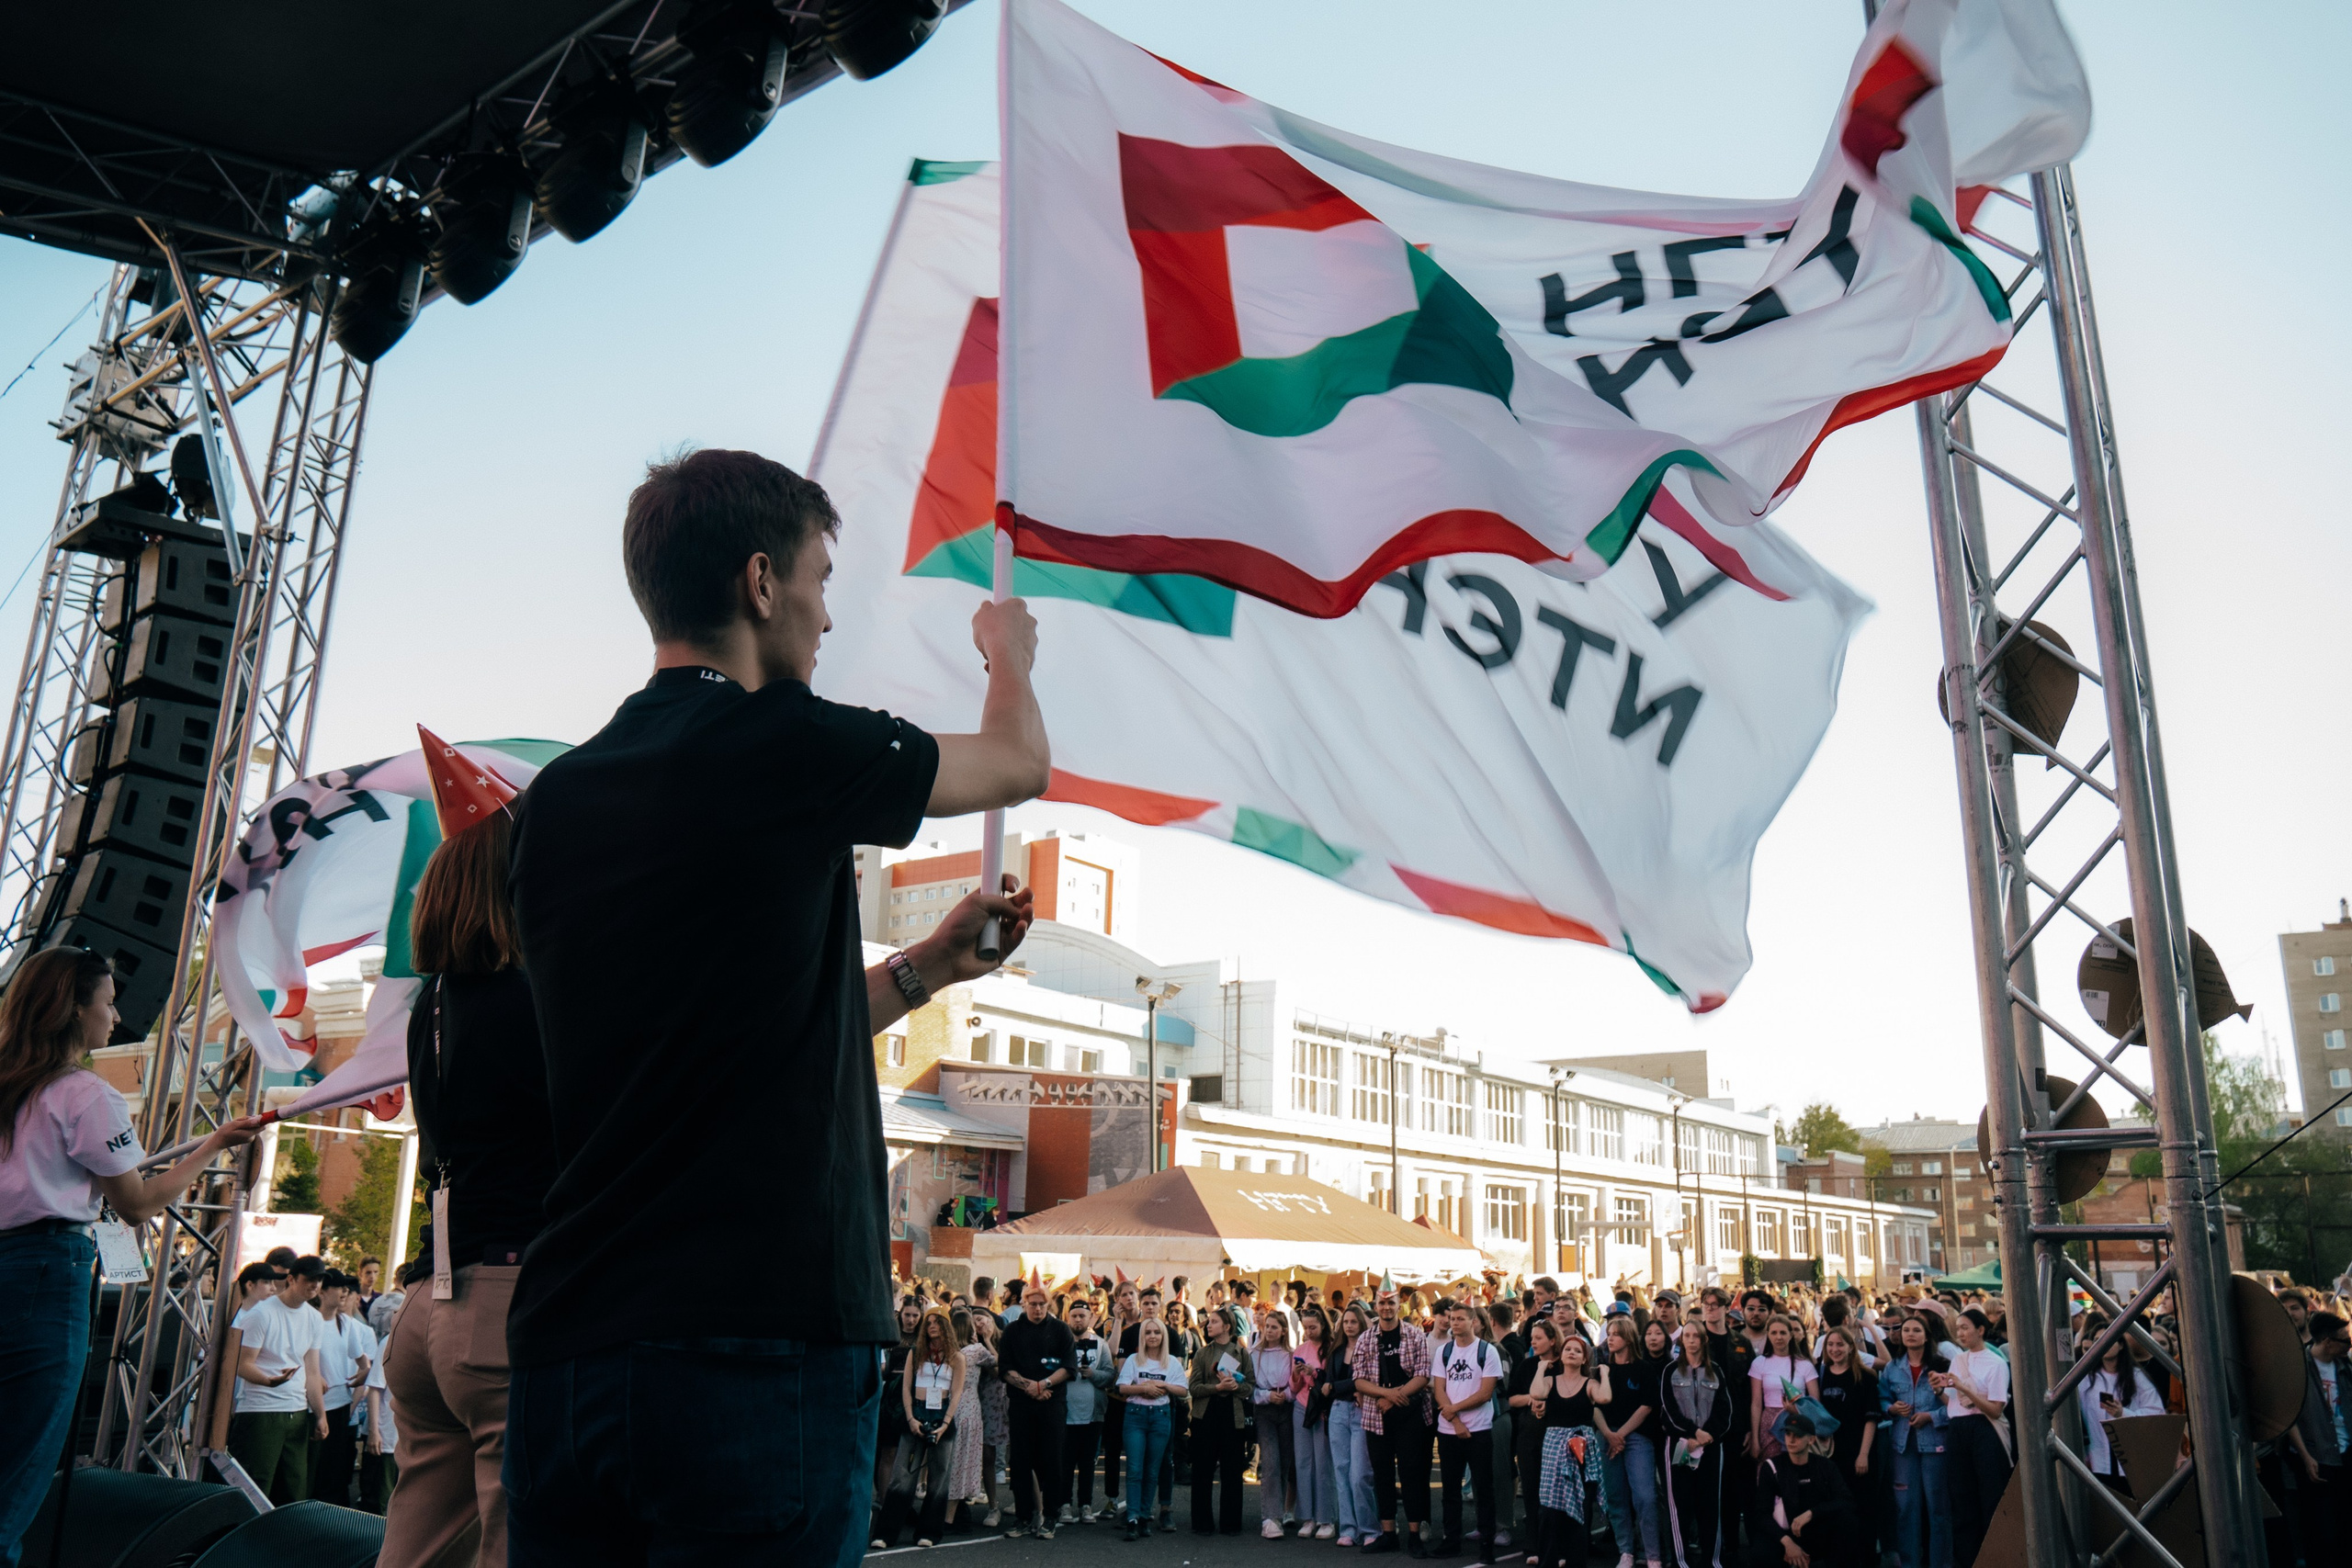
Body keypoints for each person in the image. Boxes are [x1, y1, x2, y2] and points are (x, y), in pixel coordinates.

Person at [502, 449, 1046, 1567]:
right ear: (760, 583)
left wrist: (927, 970)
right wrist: (1008, 655)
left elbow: (716, 1026)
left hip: (573, 1345)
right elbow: (1014, 762)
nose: (827, 617)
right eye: (821, 579)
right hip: (755, 1340)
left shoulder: (555, 799)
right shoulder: (783, 738)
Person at [0, 947, 267, 1564]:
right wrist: (214, 1145)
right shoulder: (85, 1094)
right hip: (45, 1275)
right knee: (17, 1477)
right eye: (109, 1000)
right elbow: (137, 1204)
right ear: (74, 1007)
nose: (117, 1017)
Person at [379, 785, 559, 1568]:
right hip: (504, 1299)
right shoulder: (532, 1002)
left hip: (428, 1307)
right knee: (520, 1544)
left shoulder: (435, 1005)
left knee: (416, 1549)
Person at [229, 1255, 330, 1504]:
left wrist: (320, 1414)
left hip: (296, 1410)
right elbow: (241, 1364)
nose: (315, 1286)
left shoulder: (314, 1318)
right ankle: (244, 1538)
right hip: (261, 1409)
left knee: (294, 1488)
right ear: (292, 1279)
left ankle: (285, 1540)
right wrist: (269, 1381)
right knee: (255, 1486)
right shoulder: (262, 1313)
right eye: (309, 1280)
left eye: (319, 1281)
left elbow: (313, 1370)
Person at [872, 1306, 966, 1550]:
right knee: (902, 1475)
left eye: (937, 1322)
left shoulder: (957, 1356)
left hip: (942, 1417)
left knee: (939, 1477)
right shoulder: (916, 1352)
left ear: (946, 1326)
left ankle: (930, 1531)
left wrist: (945, 1424)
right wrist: (911, 1418)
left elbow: (956, 1394)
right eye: (929, 1322)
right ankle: (886, 1532)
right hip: (916, 1413)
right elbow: (906, 1388)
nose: (932, 1325)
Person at [1352, 1284, 1436, 1556]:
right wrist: (1386, 1394)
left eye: (1391, 1303)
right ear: (1375, 1306)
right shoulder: (1366, 1339)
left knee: (1411, 1474)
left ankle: (1414, 1535)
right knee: (1382, 1475)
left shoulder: (1414, 1335)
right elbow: (1359, 1379)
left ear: (1399, 1305)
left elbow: (1423, 1375)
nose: (1386, 1308)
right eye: (1382, 1303)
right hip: (1377, 1416)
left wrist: (1396, 1396)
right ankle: (1388, 1533)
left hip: (1410, 1413)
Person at [1931, 1309, 2008, 1566]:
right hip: (1958, 1429)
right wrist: (1940, 1389)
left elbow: (1995, 1410)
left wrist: (1964, 1387)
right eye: (1958, 1329)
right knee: (1961, 1500)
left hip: (1984, 1429)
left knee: (1990, 1498)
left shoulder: (1996, 1362)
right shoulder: (1959, 1360)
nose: (1961, 1333)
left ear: (1981, 1330)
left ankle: (1994, 1557)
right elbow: (1954, 1403)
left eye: (1965, 1328)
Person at [1000, 1280, 1075, 1538]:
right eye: (1033, 1304)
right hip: (1021, 1405)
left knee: (1052, 1460)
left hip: (1053, 1405)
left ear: (1049, 1305)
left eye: (1042, 1304)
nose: (1038, 1308)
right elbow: (1005, 1369)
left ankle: (1051, 1516)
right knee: (1020, 1461)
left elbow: (1068, 1368)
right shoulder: (1012, 1331)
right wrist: (1029, 1387)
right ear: (1024, 1304)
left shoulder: (1061, 1330)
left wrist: (1044, 1384)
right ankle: (1023, 1516)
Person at [1432, 1301, 1506, 1562]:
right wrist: (1454, 1420)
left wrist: (1454, 1411)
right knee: (1450, 1490)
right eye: (1452, 1318)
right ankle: (1451, 1540)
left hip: (1479, 1430)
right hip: (1449, 1431)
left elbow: (1485, 1394)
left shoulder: (1487, 1351)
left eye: (1460, 1318)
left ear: (1473, 1321)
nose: (1454, 1323)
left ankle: (1487, 1543)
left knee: (1484, 1488)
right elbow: (1438, 1388)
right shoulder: (1444, 1352)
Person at [1530, 1325, 1609, 1568]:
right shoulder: (1551, 1382)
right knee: (1550, 1511)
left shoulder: (1589, 1384)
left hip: (1580, 1450)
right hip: (1554, 1452)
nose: (1572, 1352)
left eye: (1577, 1350)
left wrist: (1604, 1374)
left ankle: (1575, 1561)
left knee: (1580, 1509)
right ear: (1561, 1355)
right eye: (1568, 1349)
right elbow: (1536, 1393)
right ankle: (1548, 1561)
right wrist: (1541, 1368)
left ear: (1585, 1358)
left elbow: (1605, 1398)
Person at [1879, 1312, 1953, 1568]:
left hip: (1935, 1443)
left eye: (1916, 1330)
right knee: (1906, 1508)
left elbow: (1955, 1407)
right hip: (1902, 1444)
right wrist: (1891, 1409)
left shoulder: (1941, 1365)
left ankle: (1941, 1563)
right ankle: (1910, 1563)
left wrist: (1931, 1417)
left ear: (1926, 1336)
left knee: (1938, 1509)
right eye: (1906, 1330)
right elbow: (1882, 1398)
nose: (1910, 1334)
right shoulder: (1892, 1367)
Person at [1659, 1323, 1735, 1568]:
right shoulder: (1670, 1370)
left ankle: (1712, 1560)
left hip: (1710, 1448)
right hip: (1680, 1445)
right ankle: (1681, 1561)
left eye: (1696, 1336)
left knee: (1710, 1505)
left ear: (1703, 1341)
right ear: (1681, 1341)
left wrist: (1708, 1435)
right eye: (1687, 1336)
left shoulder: (1716, 1372)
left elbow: (1725, 1411)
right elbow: (1668, 1411)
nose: (1691, 1340)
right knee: (1679, 1505)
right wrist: (1693, 1433)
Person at [1597, 1312, 1667, 1568]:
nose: (1611, 1339)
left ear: (1628, 1337)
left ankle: (1653, 1555)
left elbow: (1647, 1405)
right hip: (1608, 1436)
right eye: (1609, 1334)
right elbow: (1595, 1405)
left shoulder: (1644, 1368)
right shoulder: (1603, 1370)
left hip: (1636, 1438)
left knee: (1645, 1497)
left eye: (1616, 1334)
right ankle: (1626, 1551)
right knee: (1616, 1496)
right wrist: (1608, 1434)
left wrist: (1620, 1435)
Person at [1749, 1414, 1862, 1568]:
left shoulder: (1826, 1466)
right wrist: (1787, 1543)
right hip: (1785, 1536)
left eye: (1798, 1435)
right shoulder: (1772, 1468)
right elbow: (1761, 1514)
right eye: (1788, 1434)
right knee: (1761, 1551)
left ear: (1811, 1440)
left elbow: (1847, 1502)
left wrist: (1812, 1513)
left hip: (1815, 1532)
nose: (1791, 1439)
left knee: (1848, 1522)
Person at [1813, 1325, 1881, 1561]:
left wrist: (1863, 1454)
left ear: (1851, 1347)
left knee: (1862, 1508)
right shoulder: (1820, 1374)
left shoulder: (1865, 1377)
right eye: (1830, 1345)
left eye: (1840, 1344)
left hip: (1858, 1451)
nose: (1835, 1349)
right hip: (1830, 1454)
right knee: (1835, 1508)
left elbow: (1871, 1419)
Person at [1116, 1316, 1188, 1540]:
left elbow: (1183, 1390)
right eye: (1148, 1333)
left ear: (1163, 1336)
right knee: (1135, 1468)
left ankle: (1146, 1516)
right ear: (1142, 1336)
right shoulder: (1133, 1360)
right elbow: (1122, 1387)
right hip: (1135, 1417)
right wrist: (1143, 1389)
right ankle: (1132, 1517)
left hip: (1160, 1417)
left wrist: (1163, 1385)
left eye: (1157, 1332)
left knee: (1152, 1469)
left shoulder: (1172, 1363)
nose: (1153, 1336)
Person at [1188, 1305, 1253, 1536]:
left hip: (1232, 1416)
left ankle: (1231, 1523)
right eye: (1208, 1322)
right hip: (1206, 1415)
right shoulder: (1202, 1354)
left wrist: (1237, 1386)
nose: (1208, 1325)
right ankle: (1202, 1522)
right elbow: (1193, 1388)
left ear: (1227, 1327)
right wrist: (1217, 1387)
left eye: (1214, 1322)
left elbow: (1250, 1386)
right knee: (1203, 1470)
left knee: (1232, 1471)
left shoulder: (1241, 1352)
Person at [310, 1269, 373, 1504]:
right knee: (313, 1468)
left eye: (346, 1288)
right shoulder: (310, 1318)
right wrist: (313, 1377)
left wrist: (364, 1371)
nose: (344, 1291)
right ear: (323, 1291)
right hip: (312, 1405)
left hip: (341, 1404)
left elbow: (361, 1358)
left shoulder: (346, 1323)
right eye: (339, 1287)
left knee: (334, 1469)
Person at [2073, 1334, 2162, 1492]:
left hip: (2132, 1462)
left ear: (2121, 1345)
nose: (2104, 1344)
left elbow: (2156, 1413)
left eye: (2110, 1339)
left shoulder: (2136, 1377)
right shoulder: (2087, 1380)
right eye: (2098, 1340)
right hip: (2098, 1462)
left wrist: (2123, 1413)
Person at [1324, 1303, 1380, 1547]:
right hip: (1338, 1412)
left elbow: (1362, 1381)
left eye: (1353, 1322)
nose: (1348, 1326)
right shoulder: (1336, 1351)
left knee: (1360, 1474)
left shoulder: (1370, 1348)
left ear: (1361, 1323)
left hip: (1362, 1411)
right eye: (1345, 1322)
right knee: (1342, 1472)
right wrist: (1340, 1386)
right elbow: (1328, 1384)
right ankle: (1348, 1528)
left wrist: (1339, 1386)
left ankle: (1370, 1528)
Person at [1250, 1307, 1301, 1538]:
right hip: (1264, 1409)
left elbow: (1296, 1384)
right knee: (1270, 1461)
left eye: (1274, 1327)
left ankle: (1279, 1513)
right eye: (1266, 1326)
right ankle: (1269, 1519)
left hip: (1286, 1408)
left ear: (1282, 1331)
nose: (1269, 1330)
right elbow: (1248, 1388)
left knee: (1284, 1462)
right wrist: (1267, 1396)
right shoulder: (1253, 1354)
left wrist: (1286, 1395)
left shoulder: (1291, 1354)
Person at [1061, 1299, 1114, 1525]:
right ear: (1068, 1318)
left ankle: (1085, 1505)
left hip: (1093, 1414)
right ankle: (1064, 1504)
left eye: (1083, 1316)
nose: (1078, 1320)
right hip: (1065, 1414)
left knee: (1087, 1463)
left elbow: (1110, 1374)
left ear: (1091, 1318)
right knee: (1064, 1462)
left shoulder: (1100, 1344)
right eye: (1074, 1316)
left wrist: (1093, 1374)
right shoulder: (1061, 1343)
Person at [1292, 1304, 1339, 1540]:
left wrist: (1314, 1372)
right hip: (1302, 1405)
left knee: (1323, 1464)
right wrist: (1297, 1374)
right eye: (1305, 1327)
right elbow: (1294, 1387)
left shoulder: (1332, 1349)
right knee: (1303, 1463)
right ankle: (1308, 1517)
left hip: (1322, 1408)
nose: (1309, 1331)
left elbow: (1333, 1380)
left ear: (1323, 1325)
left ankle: (1326, 1518)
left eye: (1313, 1327)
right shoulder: (1300, 1348)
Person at [1748, 1315, 1819, 1464]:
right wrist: (1755, 1439)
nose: (1778, 1337)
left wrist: (1797, 1411)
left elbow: (1815, 1402)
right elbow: (1756, 1403)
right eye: (1773, 1333)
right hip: (1769, 1422)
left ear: (1791, 1335)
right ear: (1768, 1335)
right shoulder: (1759, 1363)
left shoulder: (1805, 1365)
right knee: (1770, 1469)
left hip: (1798, 1421)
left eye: (1783, 1333)